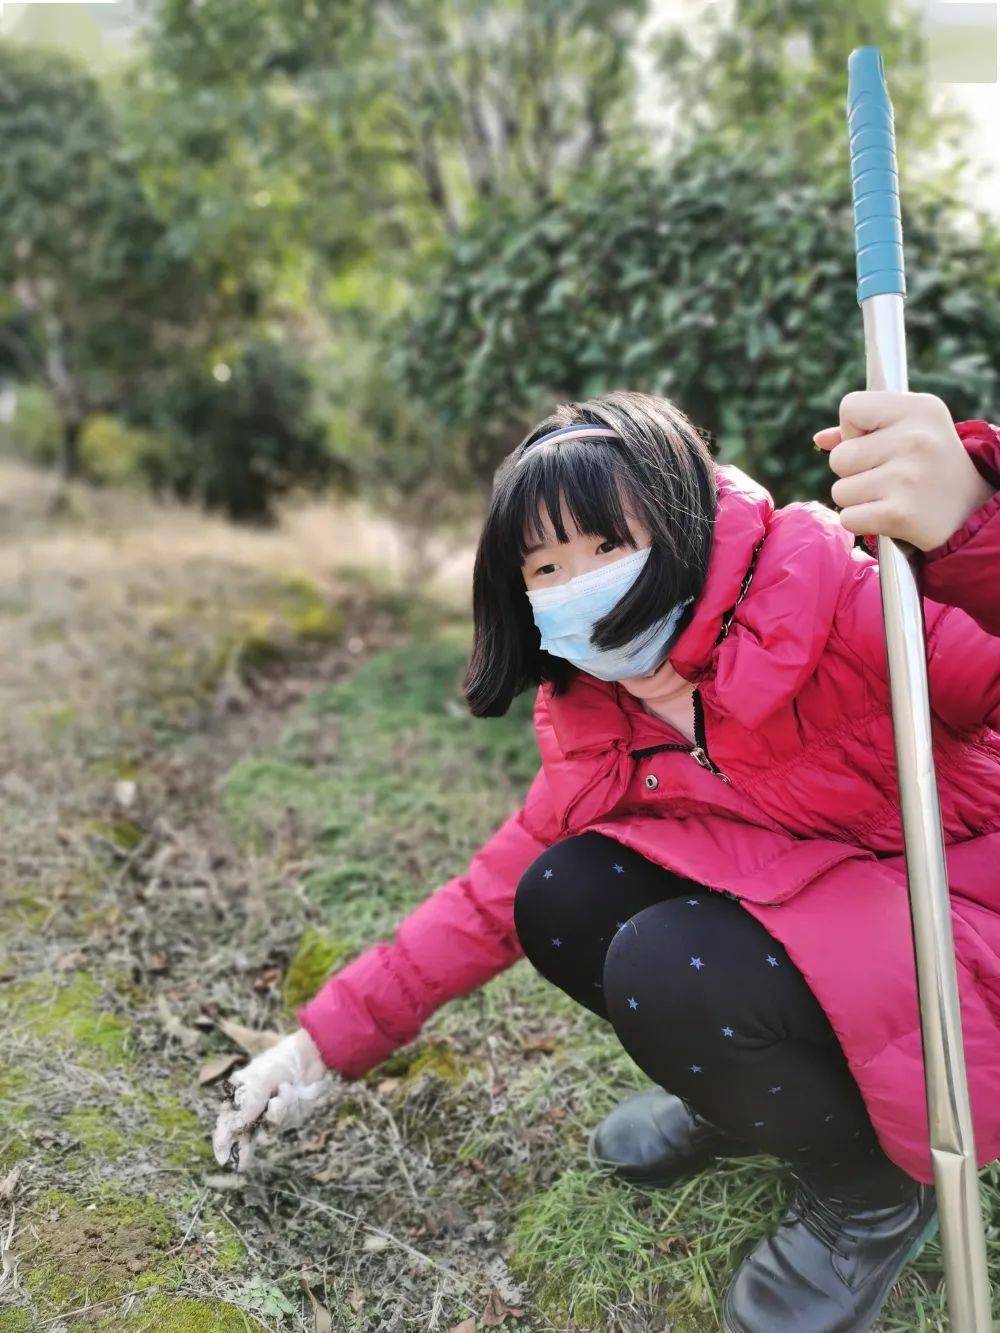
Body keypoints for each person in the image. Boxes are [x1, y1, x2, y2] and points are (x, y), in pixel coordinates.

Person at [212, 388, 1000, 1332]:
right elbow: (485, 898)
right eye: (546, 566)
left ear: (681, 522)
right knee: (559, 894)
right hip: (812, 914)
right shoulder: (605, 705)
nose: (579, 583)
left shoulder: (834, 593)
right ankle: (748, 1099)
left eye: (606, 545)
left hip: (954, 914)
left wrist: (972, 527)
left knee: (669, 964)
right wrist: (317, 1050)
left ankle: (869, 1193)